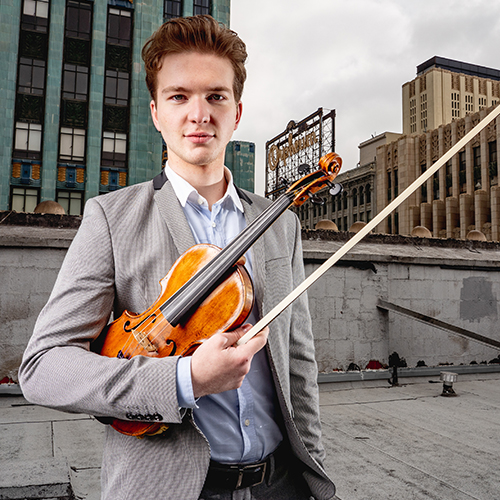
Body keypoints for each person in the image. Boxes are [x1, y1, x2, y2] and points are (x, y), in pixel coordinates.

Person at [19, 15, 337, 500]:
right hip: (169, 488)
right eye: (179, 96)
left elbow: (298, 363)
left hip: (282, 485)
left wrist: (315, 475)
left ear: (237, 110)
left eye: (216, 96)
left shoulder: (281, 222)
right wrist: (184, 377)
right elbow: (43, 368)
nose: (199, 113)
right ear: (155, 112)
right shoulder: (110, 217)